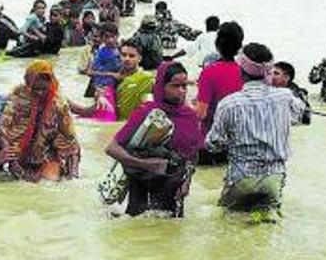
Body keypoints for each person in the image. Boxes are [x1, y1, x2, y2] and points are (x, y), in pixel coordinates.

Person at [207, 43, 307, 214]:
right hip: (274, 180)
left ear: (241, 71)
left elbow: (213, 144)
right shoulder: (285, 96)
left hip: (240, 180)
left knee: (227, 222)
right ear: (268, 71)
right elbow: (299, 116)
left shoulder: (228, 103)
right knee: (266, 227)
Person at [106, 62, 201, 217]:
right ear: (161, 86)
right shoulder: (147, 113)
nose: (182, 91)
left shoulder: (190, 117)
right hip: (141, 188)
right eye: (175, 86)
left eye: (184, 86)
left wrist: (187, 182)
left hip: (173, 188)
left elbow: (192, 155)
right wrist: (145, 164)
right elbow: (111, 148)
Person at [0, 60, 81, 182]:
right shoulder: (18, 97)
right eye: (35, 89)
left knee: (48, 184)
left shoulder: (59, 104)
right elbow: (2, 130)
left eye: (43, 89)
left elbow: (70, 141)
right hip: (20, 155)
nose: (39, 93)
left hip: (48, 154)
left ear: (50, 83)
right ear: (28, 84)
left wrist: (74, 176)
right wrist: (12, 161)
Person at [196, 21, 245, 164]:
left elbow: (201, 114)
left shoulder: (209, 71)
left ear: (217, 44)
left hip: (210, 146)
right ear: (239, 47)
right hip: (236, 146)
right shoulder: (245, 73)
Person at [115, 41, 155, 120]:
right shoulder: (113, 77)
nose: (127, 59)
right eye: (124, 55)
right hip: (116, 125)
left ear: (140, 58)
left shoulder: (147, 79)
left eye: (132, 56)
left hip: (136, 127)